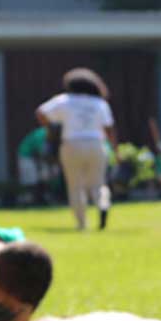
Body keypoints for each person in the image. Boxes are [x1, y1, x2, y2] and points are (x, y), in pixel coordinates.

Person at [37, 68, 117, 231]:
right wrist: (115, 149)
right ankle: (102, 205)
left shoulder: (64, 100)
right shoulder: (100, 103)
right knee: (99, 182)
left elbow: (41, 112)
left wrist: (51, 127)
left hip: (72, 143)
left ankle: (82, 224)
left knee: (75, 185)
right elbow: (109, 128)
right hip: (96, 143)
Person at [17, 124, 55, 206]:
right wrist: (48, 165)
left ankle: (39, 199)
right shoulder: (42, 135)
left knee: (41, 178)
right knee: (32, 181)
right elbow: (38, 153)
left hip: (33, 158)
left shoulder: (45, 133)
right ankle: (31, 201)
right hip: (26, 156)